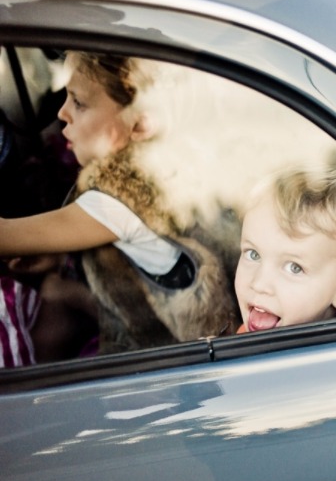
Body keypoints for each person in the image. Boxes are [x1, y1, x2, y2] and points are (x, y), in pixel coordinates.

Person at [0, 51, 236, 355]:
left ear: (140, 124)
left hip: (156, 356)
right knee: (51, 290)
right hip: (152, 327)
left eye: (79, 103)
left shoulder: (117, 200)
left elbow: (5, 237)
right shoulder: (164, 173)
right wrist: (59, 259)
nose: (62, 113)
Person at [234, 152, 336, 333]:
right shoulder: (247, 333)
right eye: (253, 254)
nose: (259, 284)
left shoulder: (317, 359)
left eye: (294, 267)